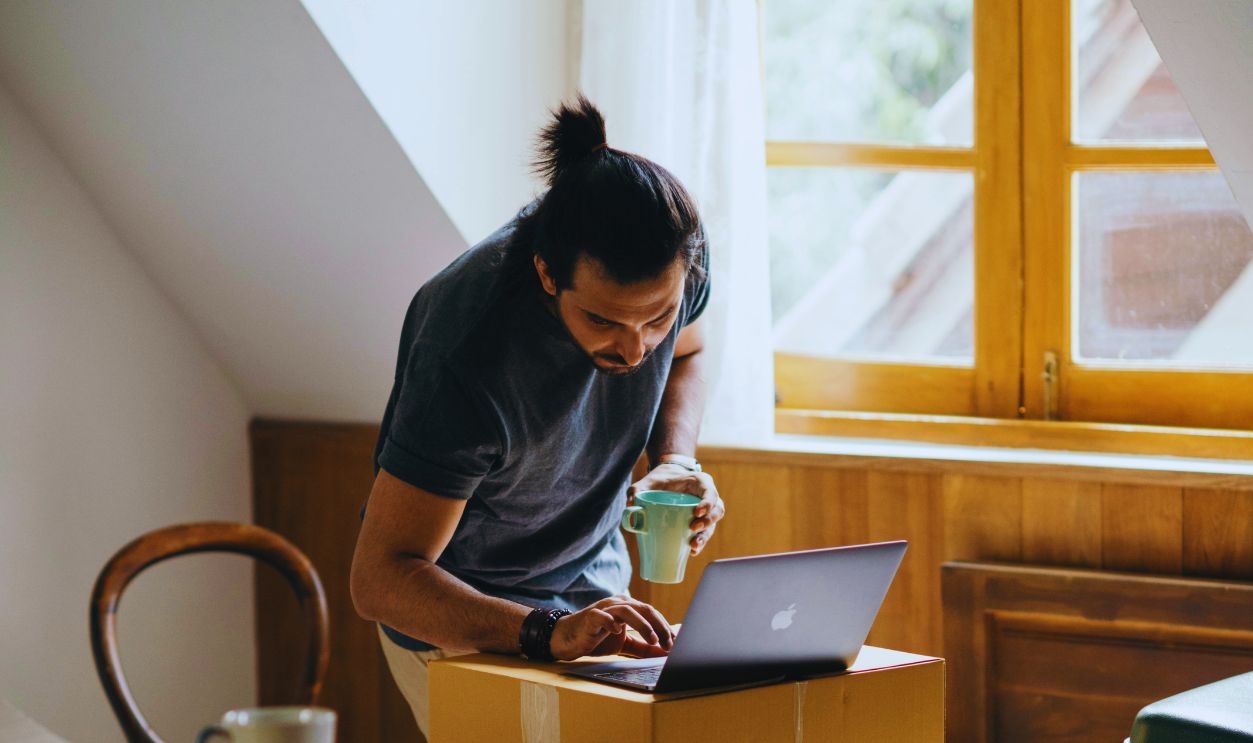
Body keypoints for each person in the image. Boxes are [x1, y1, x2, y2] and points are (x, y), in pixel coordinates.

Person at [349, 95, 726, 736]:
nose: (635, 351)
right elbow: (382, 580)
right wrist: (544, 631)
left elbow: (690, 350)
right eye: (603, 321)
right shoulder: (468, 353)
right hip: (460, 612)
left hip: (590, 576)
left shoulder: (677, 264)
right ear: (548, 275)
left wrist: (675, 459)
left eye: (655, 317)